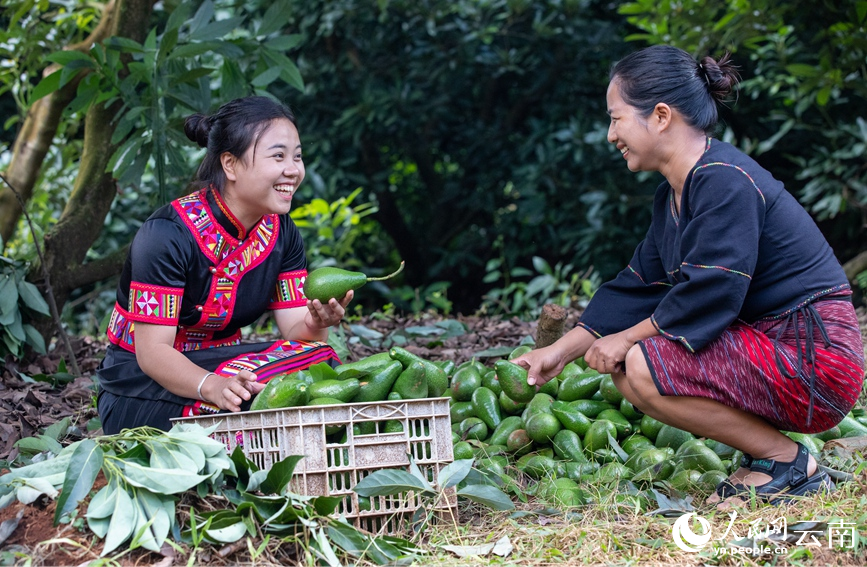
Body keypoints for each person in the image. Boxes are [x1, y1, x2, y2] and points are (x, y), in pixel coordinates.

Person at [513, 45, 865, 504]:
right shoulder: (675, 195)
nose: (609, 134)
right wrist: (559, 352)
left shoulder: (724, 180)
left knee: (640, 360)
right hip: (776, 351)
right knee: (632, 362)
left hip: (817, 361)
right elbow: (638, 286)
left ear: (660, 116)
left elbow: (713, 289)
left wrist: (626, 339)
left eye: (616, 118)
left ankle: (787, 463)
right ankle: (772, 460)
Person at [97, 96, 352, 434]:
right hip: (138, 386)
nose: (293, 170)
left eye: (297, 156)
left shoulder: (281, 231)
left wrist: (316, 321)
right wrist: (212, 386)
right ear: (230, 165)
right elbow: (152, 353)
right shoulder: (166, 235)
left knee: (322, 361)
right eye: (278, 156)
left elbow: (297, 333)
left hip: (228, 367)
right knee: (250, 400)